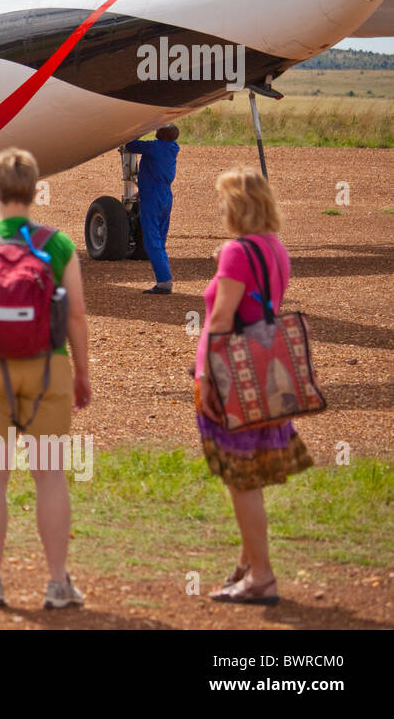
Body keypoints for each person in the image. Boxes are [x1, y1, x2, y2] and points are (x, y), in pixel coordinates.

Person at [0, 147, 92, 610]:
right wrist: (82, 372)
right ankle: (56, 584)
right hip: (47, 368)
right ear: (34, 191)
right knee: (49, 475)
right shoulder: (58, 245)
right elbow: (76, 317)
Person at [196, 166, 310, 605]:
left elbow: (221, 320)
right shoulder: (275, 247)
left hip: (232, 374)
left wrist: (205, 378)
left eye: (224, 200)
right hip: (267, 371)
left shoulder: (237, 251)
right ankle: (247, 565)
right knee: (254, 474)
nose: (220, 207)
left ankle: (261, 577)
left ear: (238, 205)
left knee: (242, 479)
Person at [124, 125, 180, 294]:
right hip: (165, 195)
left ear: (161, 134)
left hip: (152, 196)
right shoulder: (172, 148)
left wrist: (141, 128)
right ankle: (164, 277)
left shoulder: (154, 148)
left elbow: (130, 145)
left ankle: (164, 281)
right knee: (160, 239)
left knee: (151, 240)